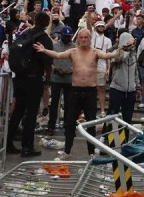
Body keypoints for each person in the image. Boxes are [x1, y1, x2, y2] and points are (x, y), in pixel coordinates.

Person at [34, 27, 117, 159]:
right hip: (75, 91)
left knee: (90, 123)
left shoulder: (95, 52)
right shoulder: (73, 51)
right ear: (78, 39)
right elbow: (57, 55)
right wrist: (44, 50)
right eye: (81, 37)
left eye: (86, 37)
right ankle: (67, 151)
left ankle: (91, 152)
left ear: (90, 39)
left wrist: (121, 50)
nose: (83, 39)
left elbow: (108, 55)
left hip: (90, 92)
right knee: (69, 123)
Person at [6, 12, 54, 156]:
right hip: (33, 78)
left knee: (18, 111)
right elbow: (48, 61)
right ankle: (27, 146)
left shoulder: (25, 34)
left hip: (19, 78)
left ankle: (7, 144)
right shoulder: (44, 38)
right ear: (46, 23)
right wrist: (48, 79)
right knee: (32, 113)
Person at [45, 25, 74, 137]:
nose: (67, 38)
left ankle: (67, 126)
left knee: (68, 104)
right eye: (65, 36)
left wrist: (72, 69)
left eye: (69, 36)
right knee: (54, 103)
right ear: (61, 36)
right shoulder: (54, 45)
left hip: (69, 78)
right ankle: (51, 126)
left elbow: (77, 61)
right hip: (56, 77)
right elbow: (49, 60)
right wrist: (55, 69)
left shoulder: (74, 46)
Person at [108, 32, 140, 123]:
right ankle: (107, 136)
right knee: (112, 115)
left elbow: (135, 71)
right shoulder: (116, 52)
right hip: (117, 89)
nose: (133, 44)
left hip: (130, 91)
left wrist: (137, 86)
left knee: (127, 118)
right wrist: (126, 48)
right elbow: (119, 59)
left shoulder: (133, 55)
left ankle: (125, 136)